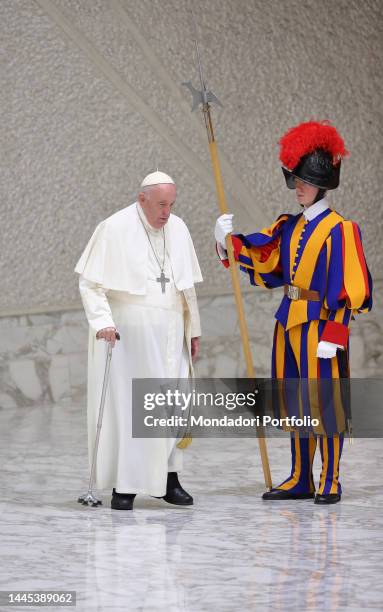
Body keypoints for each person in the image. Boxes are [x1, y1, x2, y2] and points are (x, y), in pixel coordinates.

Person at [214, 121, 372, 504]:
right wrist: (228, 242)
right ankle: (300, 476)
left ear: (321, 182)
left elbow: (351, 292)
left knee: (326, 403)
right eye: (294, 179)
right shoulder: (290, 226)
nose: (297, 186)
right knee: (296, 402)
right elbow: (267, 258)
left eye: (303, 179)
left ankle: (329, 479)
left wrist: (333, 338)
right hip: (289, 323)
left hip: (321, 327)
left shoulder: (341, 230)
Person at [75, 171, 203, 510]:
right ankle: (125, 486)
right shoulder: (114, 228)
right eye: (161, 204)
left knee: (172, 405)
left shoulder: (178, 228)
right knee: (133, 409)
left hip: (171, 332)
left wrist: (194, 329)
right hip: (130, 337)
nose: (167, 212)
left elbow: (186, 284)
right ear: (142, 198)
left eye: (171, 204)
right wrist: (102, 322)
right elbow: (90, 283)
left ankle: (168, 480)